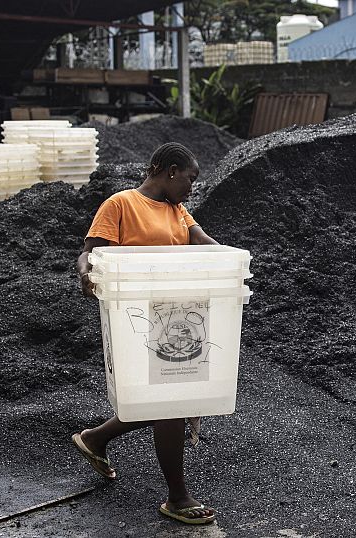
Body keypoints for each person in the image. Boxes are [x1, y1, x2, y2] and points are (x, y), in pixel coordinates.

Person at [71, 142, 221, 525]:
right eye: (190, 179)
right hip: (138, 319)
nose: (192, 188)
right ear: (170, 171)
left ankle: (95, 438)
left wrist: (232, 261)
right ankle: (177, 497)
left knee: (167, 399)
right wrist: (85, 272)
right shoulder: (121, 204)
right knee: (171, 401)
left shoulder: (178, 210)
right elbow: (89, 252)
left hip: (178, 316)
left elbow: (204, 243)